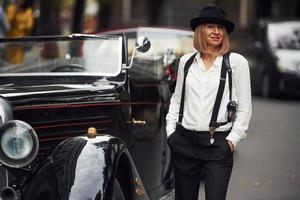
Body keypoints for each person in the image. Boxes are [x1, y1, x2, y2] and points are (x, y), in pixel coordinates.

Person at [166, 5, 252, 200]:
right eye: (210, 26)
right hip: (184, 142)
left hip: (218, 145)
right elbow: (177, 99)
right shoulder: (186, 62)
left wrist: (232, 140)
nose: (216, 32)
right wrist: (171, 132)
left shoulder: (236, 63)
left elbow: (245, 106)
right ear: (199, 31)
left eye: (220, 28)